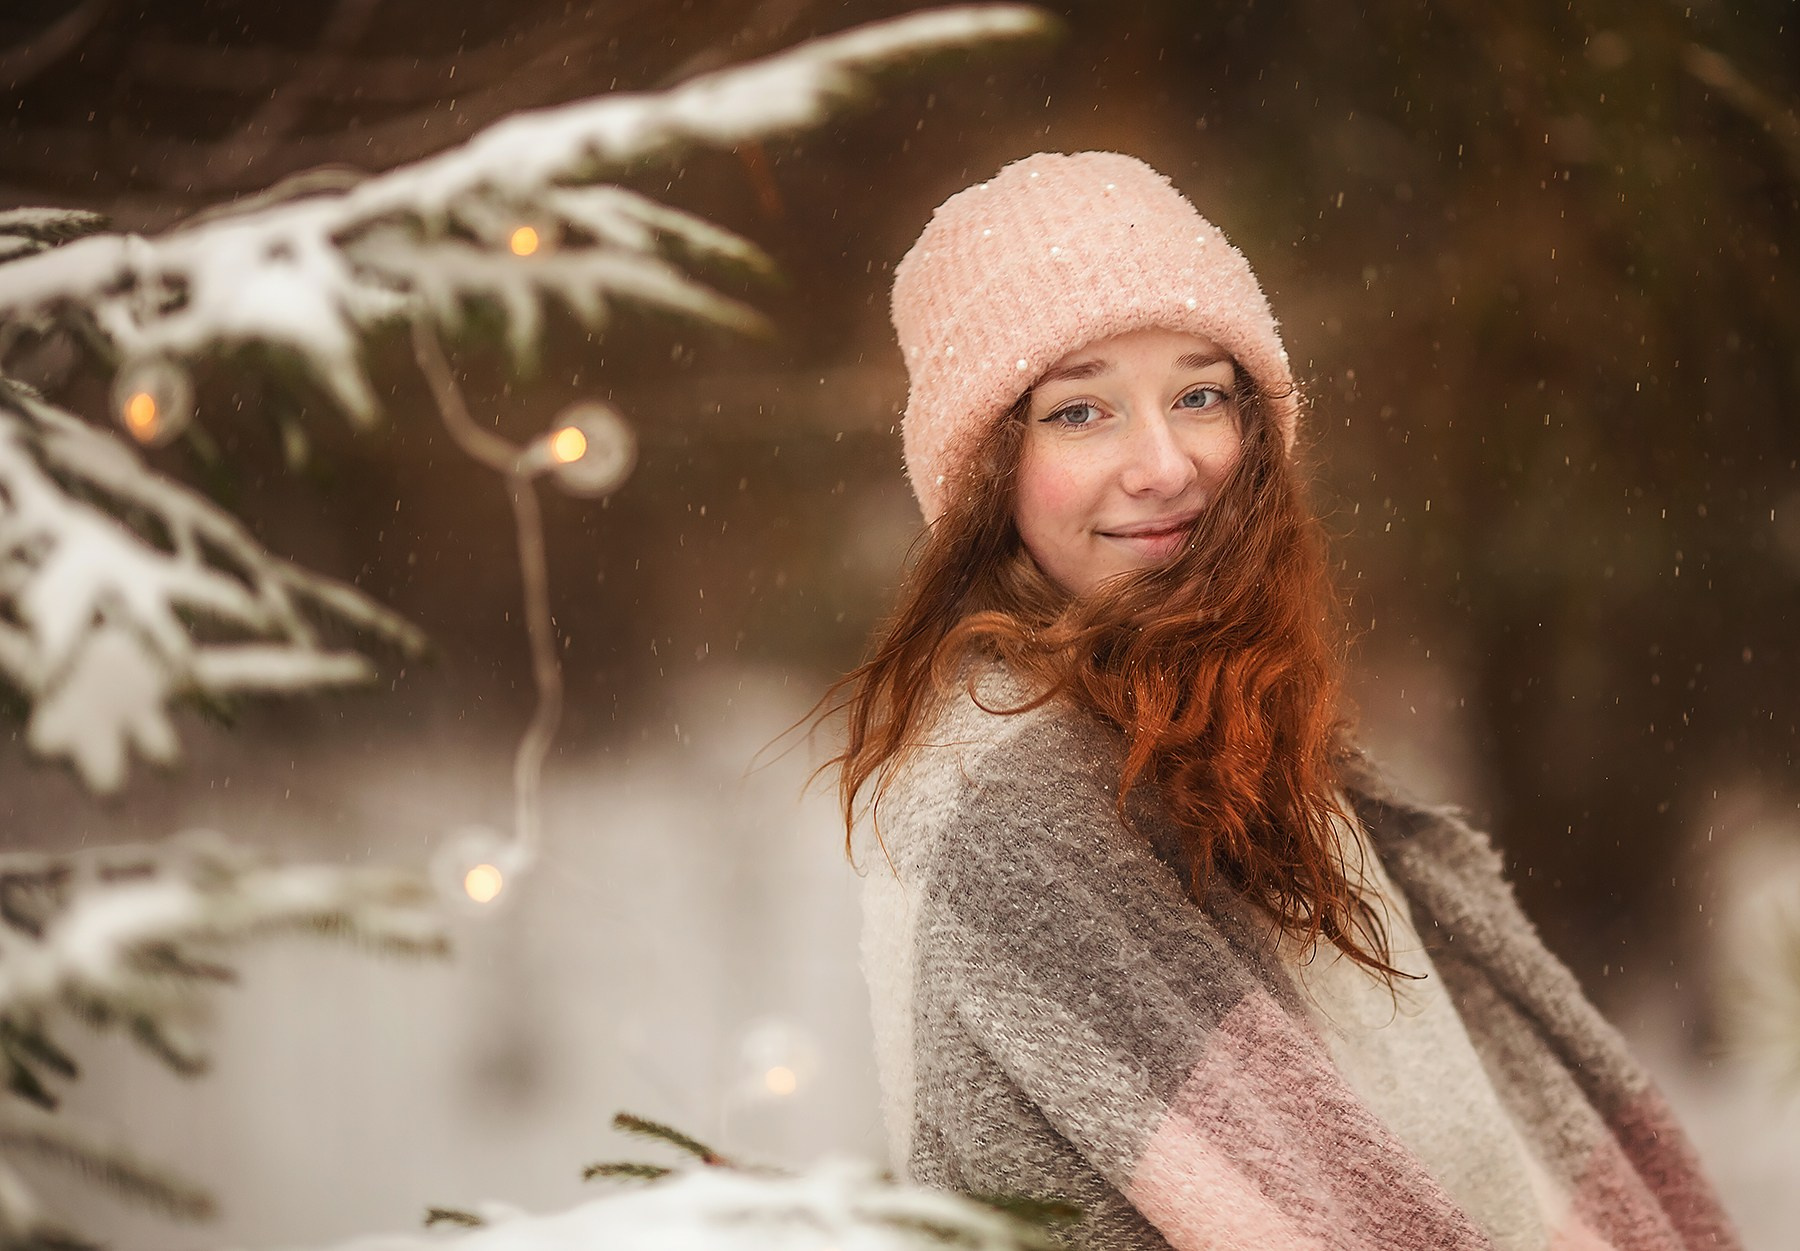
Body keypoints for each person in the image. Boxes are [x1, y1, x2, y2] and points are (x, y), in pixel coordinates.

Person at [827, 152, 1741, 1250]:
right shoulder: (1007, 806)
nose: (1165, 464)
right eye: (1080, 411)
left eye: (1198, 395)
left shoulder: (1245, 730)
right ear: (987, 472)